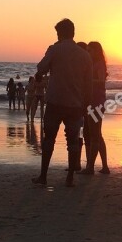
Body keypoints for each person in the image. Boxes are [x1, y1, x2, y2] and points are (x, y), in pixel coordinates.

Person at [33, 18, 92, 187]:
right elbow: (88, 85)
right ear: (73, 33)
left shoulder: (55, 49)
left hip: (55, 101)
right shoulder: (85, 55)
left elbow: (41, 68)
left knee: (49, 138)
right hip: (75, 103)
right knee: (72, 140)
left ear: (60, 33)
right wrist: (86, 105)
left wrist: (48, 53)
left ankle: (43, 176)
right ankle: (70, 178)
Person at [80, 41, 110, 175]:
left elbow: (101, 81)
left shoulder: (99, 65)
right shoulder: (92, 64)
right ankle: (104, 166)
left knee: (94, 135)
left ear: (96, 51)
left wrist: (86, 80)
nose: (87, 53)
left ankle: (90, 167)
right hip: (92, 101)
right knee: (97, 134)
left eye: (90, 50)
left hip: (96, 101)